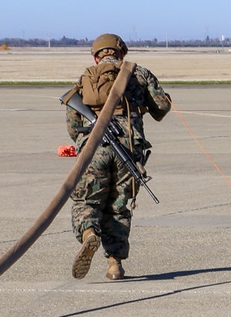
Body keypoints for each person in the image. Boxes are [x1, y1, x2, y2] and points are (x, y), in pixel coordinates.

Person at [66, 33, 172, 280]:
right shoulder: (139, 74)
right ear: (122, 53)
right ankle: (114, 264)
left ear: (96, 56)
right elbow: (162, 109)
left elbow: (73, 125)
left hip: (95, 148)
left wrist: (86, 143)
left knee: (87, 200)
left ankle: (89, 233)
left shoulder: (86, 79)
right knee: (119, 206)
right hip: (128, 149)